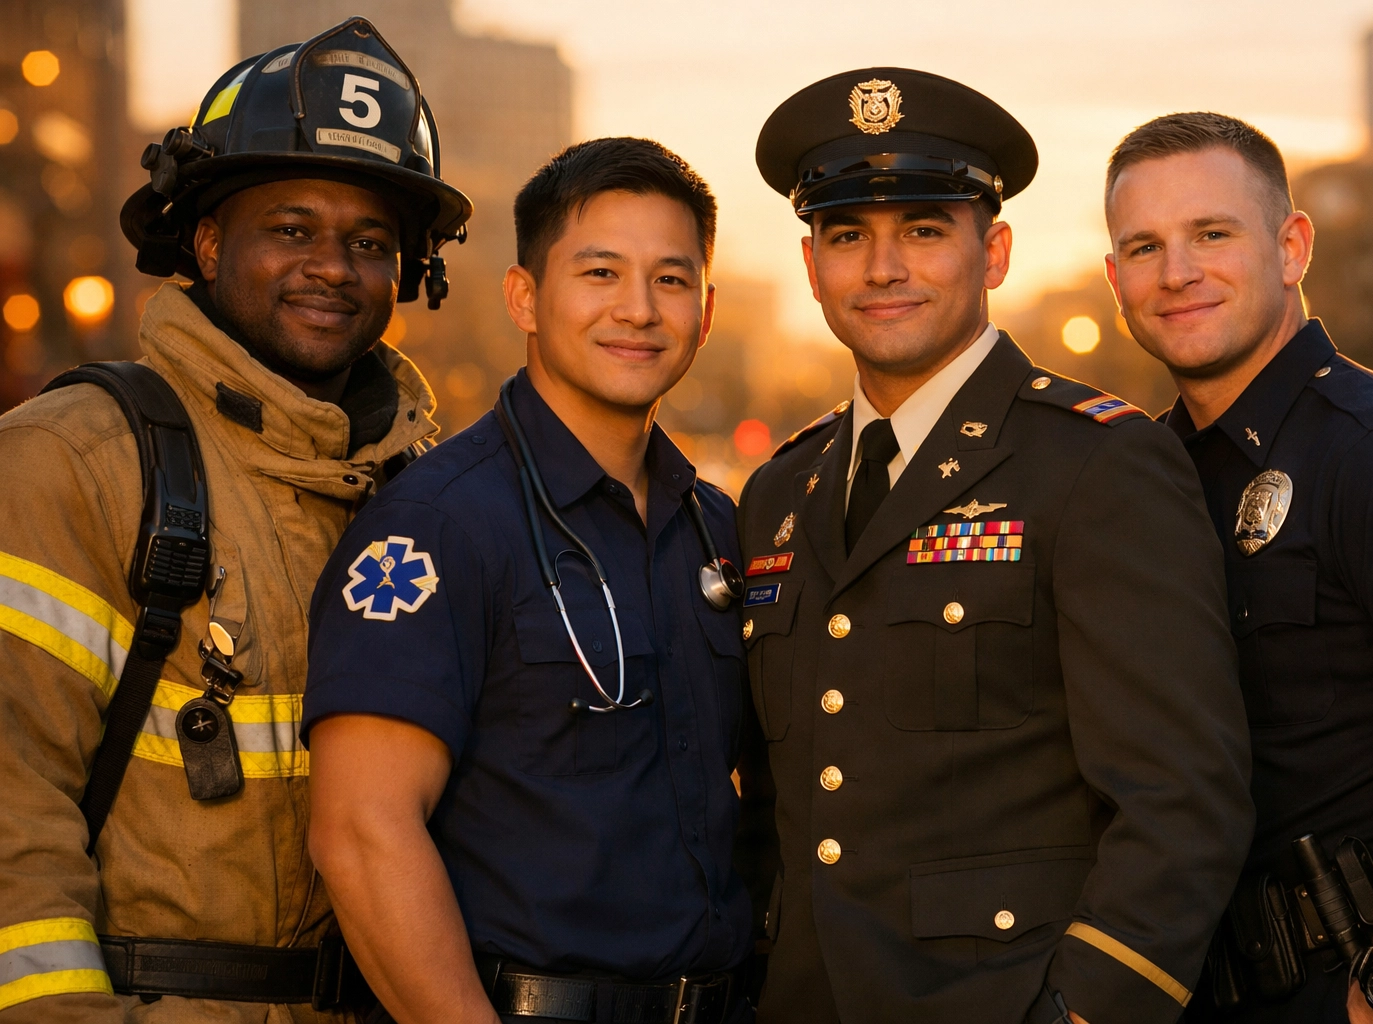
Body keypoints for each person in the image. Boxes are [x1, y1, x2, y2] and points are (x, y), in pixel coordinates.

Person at [736, 68, 1255, 1024]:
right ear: (812, 268)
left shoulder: (1098, 463)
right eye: (847, 236)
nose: (883, 268)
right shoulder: (779, 489)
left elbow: (1183, 809)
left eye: (925, 231)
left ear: (997, 251)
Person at [0, 16, 470, 1022]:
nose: (334, 267)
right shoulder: (74, 458)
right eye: (292, 229)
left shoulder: (431, 495)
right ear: (208, 242)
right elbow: (11, 802)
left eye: (371, 242)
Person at [301, 137, 754, 1024]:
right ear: (526, 299)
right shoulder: (441, 524)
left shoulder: (715, 527)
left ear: (706, 310)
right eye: (599, 273)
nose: (638, 310)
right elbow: (361, 834)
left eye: (671, 279)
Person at [1102, 112, 1373, 1024]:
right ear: (1115, 279)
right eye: (1144, 247)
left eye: (1212, 234)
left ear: (1292, 246)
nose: (1176, 272)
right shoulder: (1153, 475)